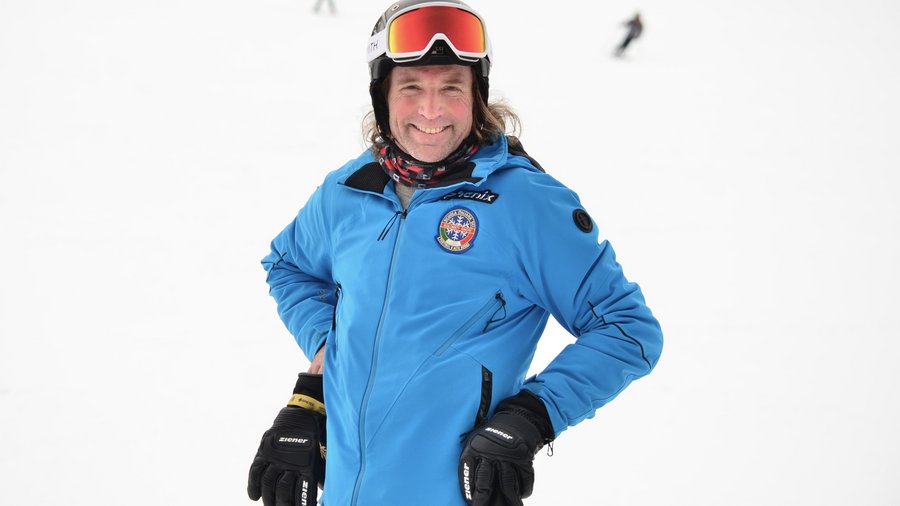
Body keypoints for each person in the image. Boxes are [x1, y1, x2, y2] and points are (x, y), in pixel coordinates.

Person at [247, 1, 663, 505]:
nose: (431, 111)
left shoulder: (525, 204)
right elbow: (290, 268)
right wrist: (318, 382)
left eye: (451, 87)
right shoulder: (347, 191)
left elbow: (626, 328)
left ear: (477, 95)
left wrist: (532, 415)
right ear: (382, 96)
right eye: (411, 88)